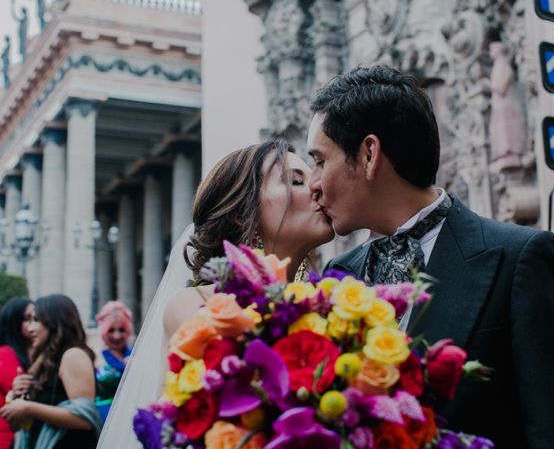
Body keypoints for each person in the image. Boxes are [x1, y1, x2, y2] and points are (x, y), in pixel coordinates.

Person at [306, 65, 554, 448]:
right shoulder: (338, 274)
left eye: (319, 160)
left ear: (368, 155)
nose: (312, 184)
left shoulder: (520, 260)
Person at [98, 139, 334, 448]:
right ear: (241, 213)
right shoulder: (196, 307)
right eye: (295, 180)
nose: (318, 187)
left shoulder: (330, 304)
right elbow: (176, 429)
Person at [0, 294, 102, 448]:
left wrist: (28, 408)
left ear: (53, 322)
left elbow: (85, 418)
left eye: (35, 320)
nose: (30, 328)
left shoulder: (73, 355)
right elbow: (25, 426)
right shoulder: (42, 360)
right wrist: (17, 397)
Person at [0, 297, 34, 449]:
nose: (33, 325)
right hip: (7, 439)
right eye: (27, 319)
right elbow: (27, 394)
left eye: (36, 318)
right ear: (14, 323)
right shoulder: (5, 355)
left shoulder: (31, 352)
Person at [94, 301, 134, 422]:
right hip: (103, 419)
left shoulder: (136, 355)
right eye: (111, 330)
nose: (117, 336)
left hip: (130, 415)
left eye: (121, 330)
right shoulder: (95, 356)